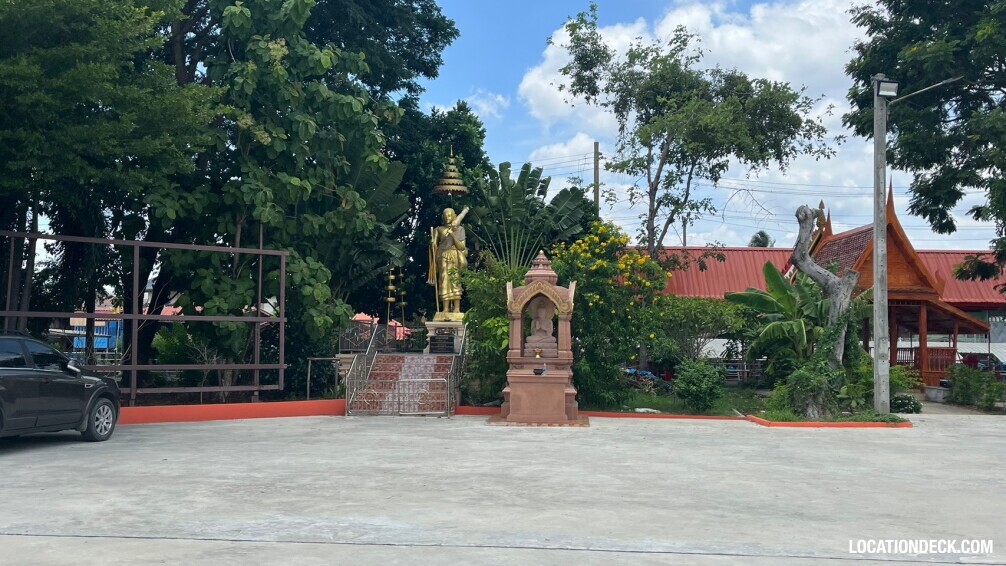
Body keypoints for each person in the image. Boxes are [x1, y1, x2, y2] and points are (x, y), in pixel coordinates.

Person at [428, 207, 468, 320]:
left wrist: (453, 235)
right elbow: (434, 245)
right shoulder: (439, 229)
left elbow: (461, 247)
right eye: (445, 215)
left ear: (454, 216)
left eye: (450, 215)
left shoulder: (459, 229)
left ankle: (456, 308)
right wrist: (432, 243)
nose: (447, 217)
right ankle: (445, 309)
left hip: (455, 256)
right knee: (444, 280)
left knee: (455, 280)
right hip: (443, 255)